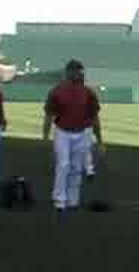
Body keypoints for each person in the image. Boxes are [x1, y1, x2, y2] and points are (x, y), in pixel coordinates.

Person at [43, 60, 103, 212]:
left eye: (80, 71)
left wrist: (99, 139)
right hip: (62, 131)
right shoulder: (57, 91)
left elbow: (94, 117)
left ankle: (72, 200)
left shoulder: (88, 93)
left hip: (82, 132)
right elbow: (49, 115)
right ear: (68, 72)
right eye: (75, 71)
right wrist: (45, 135)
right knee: (63, 165)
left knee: (76, 167)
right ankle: (59, 200)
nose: (78, 74)